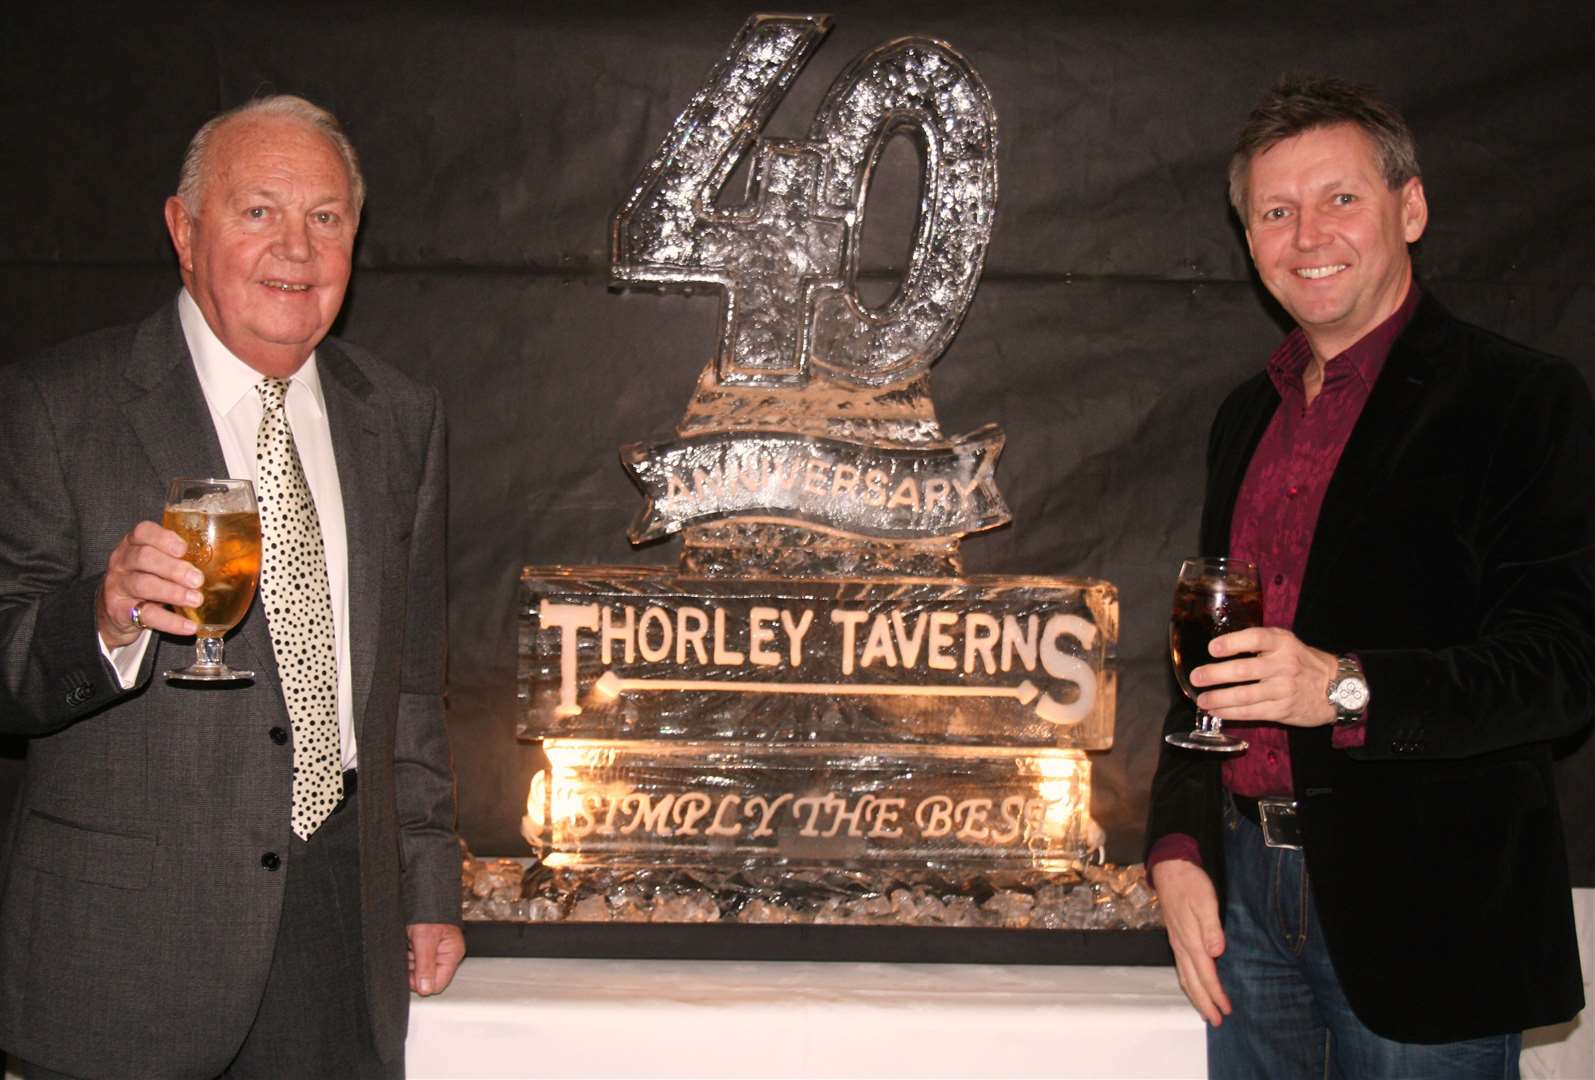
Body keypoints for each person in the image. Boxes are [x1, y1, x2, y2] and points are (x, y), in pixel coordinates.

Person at [0, 95, 464, 1078]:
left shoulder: (398, 419)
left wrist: (425, 885)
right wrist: (102, 614)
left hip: (338, 927)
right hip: (127, 950)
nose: (295, 247)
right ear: (183, 228)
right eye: (259, 211)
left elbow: (408, 689)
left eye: (326, 217)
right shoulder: (52, 407)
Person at [1146, 74, 1593, 1078]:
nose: (1307, 233)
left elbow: (1563, 671)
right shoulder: (1242, 418)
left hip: (1428, 913)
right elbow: (1199, 669)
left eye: (1338, 198)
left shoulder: (1519, 400)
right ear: (1248, 238)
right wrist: (1177, 846)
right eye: (1274, 210)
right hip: (1247, 906)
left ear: (1411, 207)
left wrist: (1342, 687)